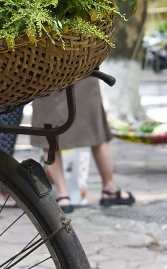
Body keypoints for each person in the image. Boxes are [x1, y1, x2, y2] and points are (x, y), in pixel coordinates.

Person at [28, 76, 133, 212]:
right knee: (96, 130)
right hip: (81, 64)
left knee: (50, 133)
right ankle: (109, 189)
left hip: (47, 67)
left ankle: (63, 195)